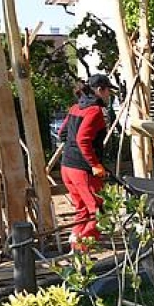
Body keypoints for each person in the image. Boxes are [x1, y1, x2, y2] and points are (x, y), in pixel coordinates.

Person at [59, 74, 114, 250]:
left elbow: (62, 133)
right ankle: (82, 250)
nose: (109, 95)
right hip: (82, 170)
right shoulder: (94, 111)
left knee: (82, 208)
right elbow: (83, 139)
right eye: (108, 91)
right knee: (98, 212)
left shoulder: (75, 107)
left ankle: (75, 244)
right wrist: (94, 164)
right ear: (100, 90)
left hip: (67, 167)